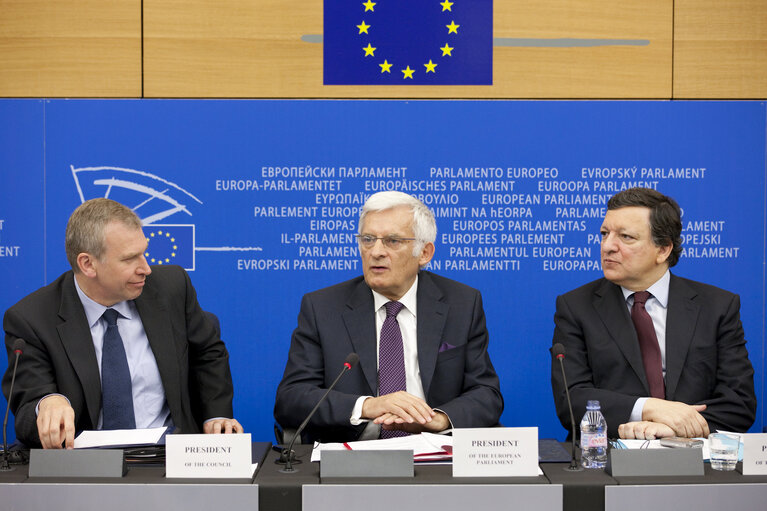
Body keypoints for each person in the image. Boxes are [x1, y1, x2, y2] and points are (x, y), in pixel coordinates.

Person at [2, 198, 242, 449]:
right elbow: (28, 406)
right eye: (130, 259)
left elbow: (208, 352)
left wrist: (216, 415)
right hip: (85, 466)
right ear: (88, 264)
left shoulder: (172, 287)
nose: (146, 268)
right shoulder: (32, 319)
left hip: (170, 456)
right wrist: (48, 403)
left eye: (144, 252)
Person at [274, 191, 503, 442]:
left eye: (392, 241)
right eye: (368, 239)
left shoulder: (462, 303)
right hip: (351, 456)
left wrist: (439, 419)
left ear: (424, 253)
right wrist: (368, 406)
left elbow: (486, 392)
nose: (376, 251)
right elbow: (291, 399)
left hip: (436, 453)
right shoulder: (322, 307)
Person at [551, 188, 756, 440]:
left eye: (625, 237)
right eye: (604, 234)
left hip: (696, 460)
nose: (607, 246)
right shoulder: (576, 306)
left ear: (663, 250)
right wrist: (648, 408)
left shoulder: (717, 306)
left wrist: (670, 428)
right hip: (608, 458)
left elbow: (739, 403)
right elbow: (572, 400)